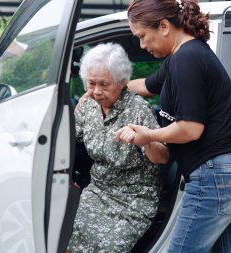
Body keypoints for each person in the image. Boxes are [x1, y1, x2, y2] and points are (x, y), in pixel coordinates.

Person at [114, 0, 231, 252]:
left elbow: (191, 129)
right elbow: (147, 86)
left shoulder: (187, 59)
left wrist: (148, 135)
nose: (142, 45)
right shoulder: (183, 57)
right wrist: (106, 86)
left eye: (142, 36)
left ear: (163, 26)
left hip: (219, 176)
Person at [67, 42, 169, 253]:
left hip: (135, 197)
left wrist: (145, 139)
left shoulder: (137, 108)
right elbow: (66, 140)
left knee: (109, 248)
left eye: (104, 84)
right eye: (91, 83)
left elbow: (163, 157)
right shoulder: (88, 105)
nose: (96, 91)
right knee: (68, 241)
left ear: (122, 82)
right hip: (98, 191)